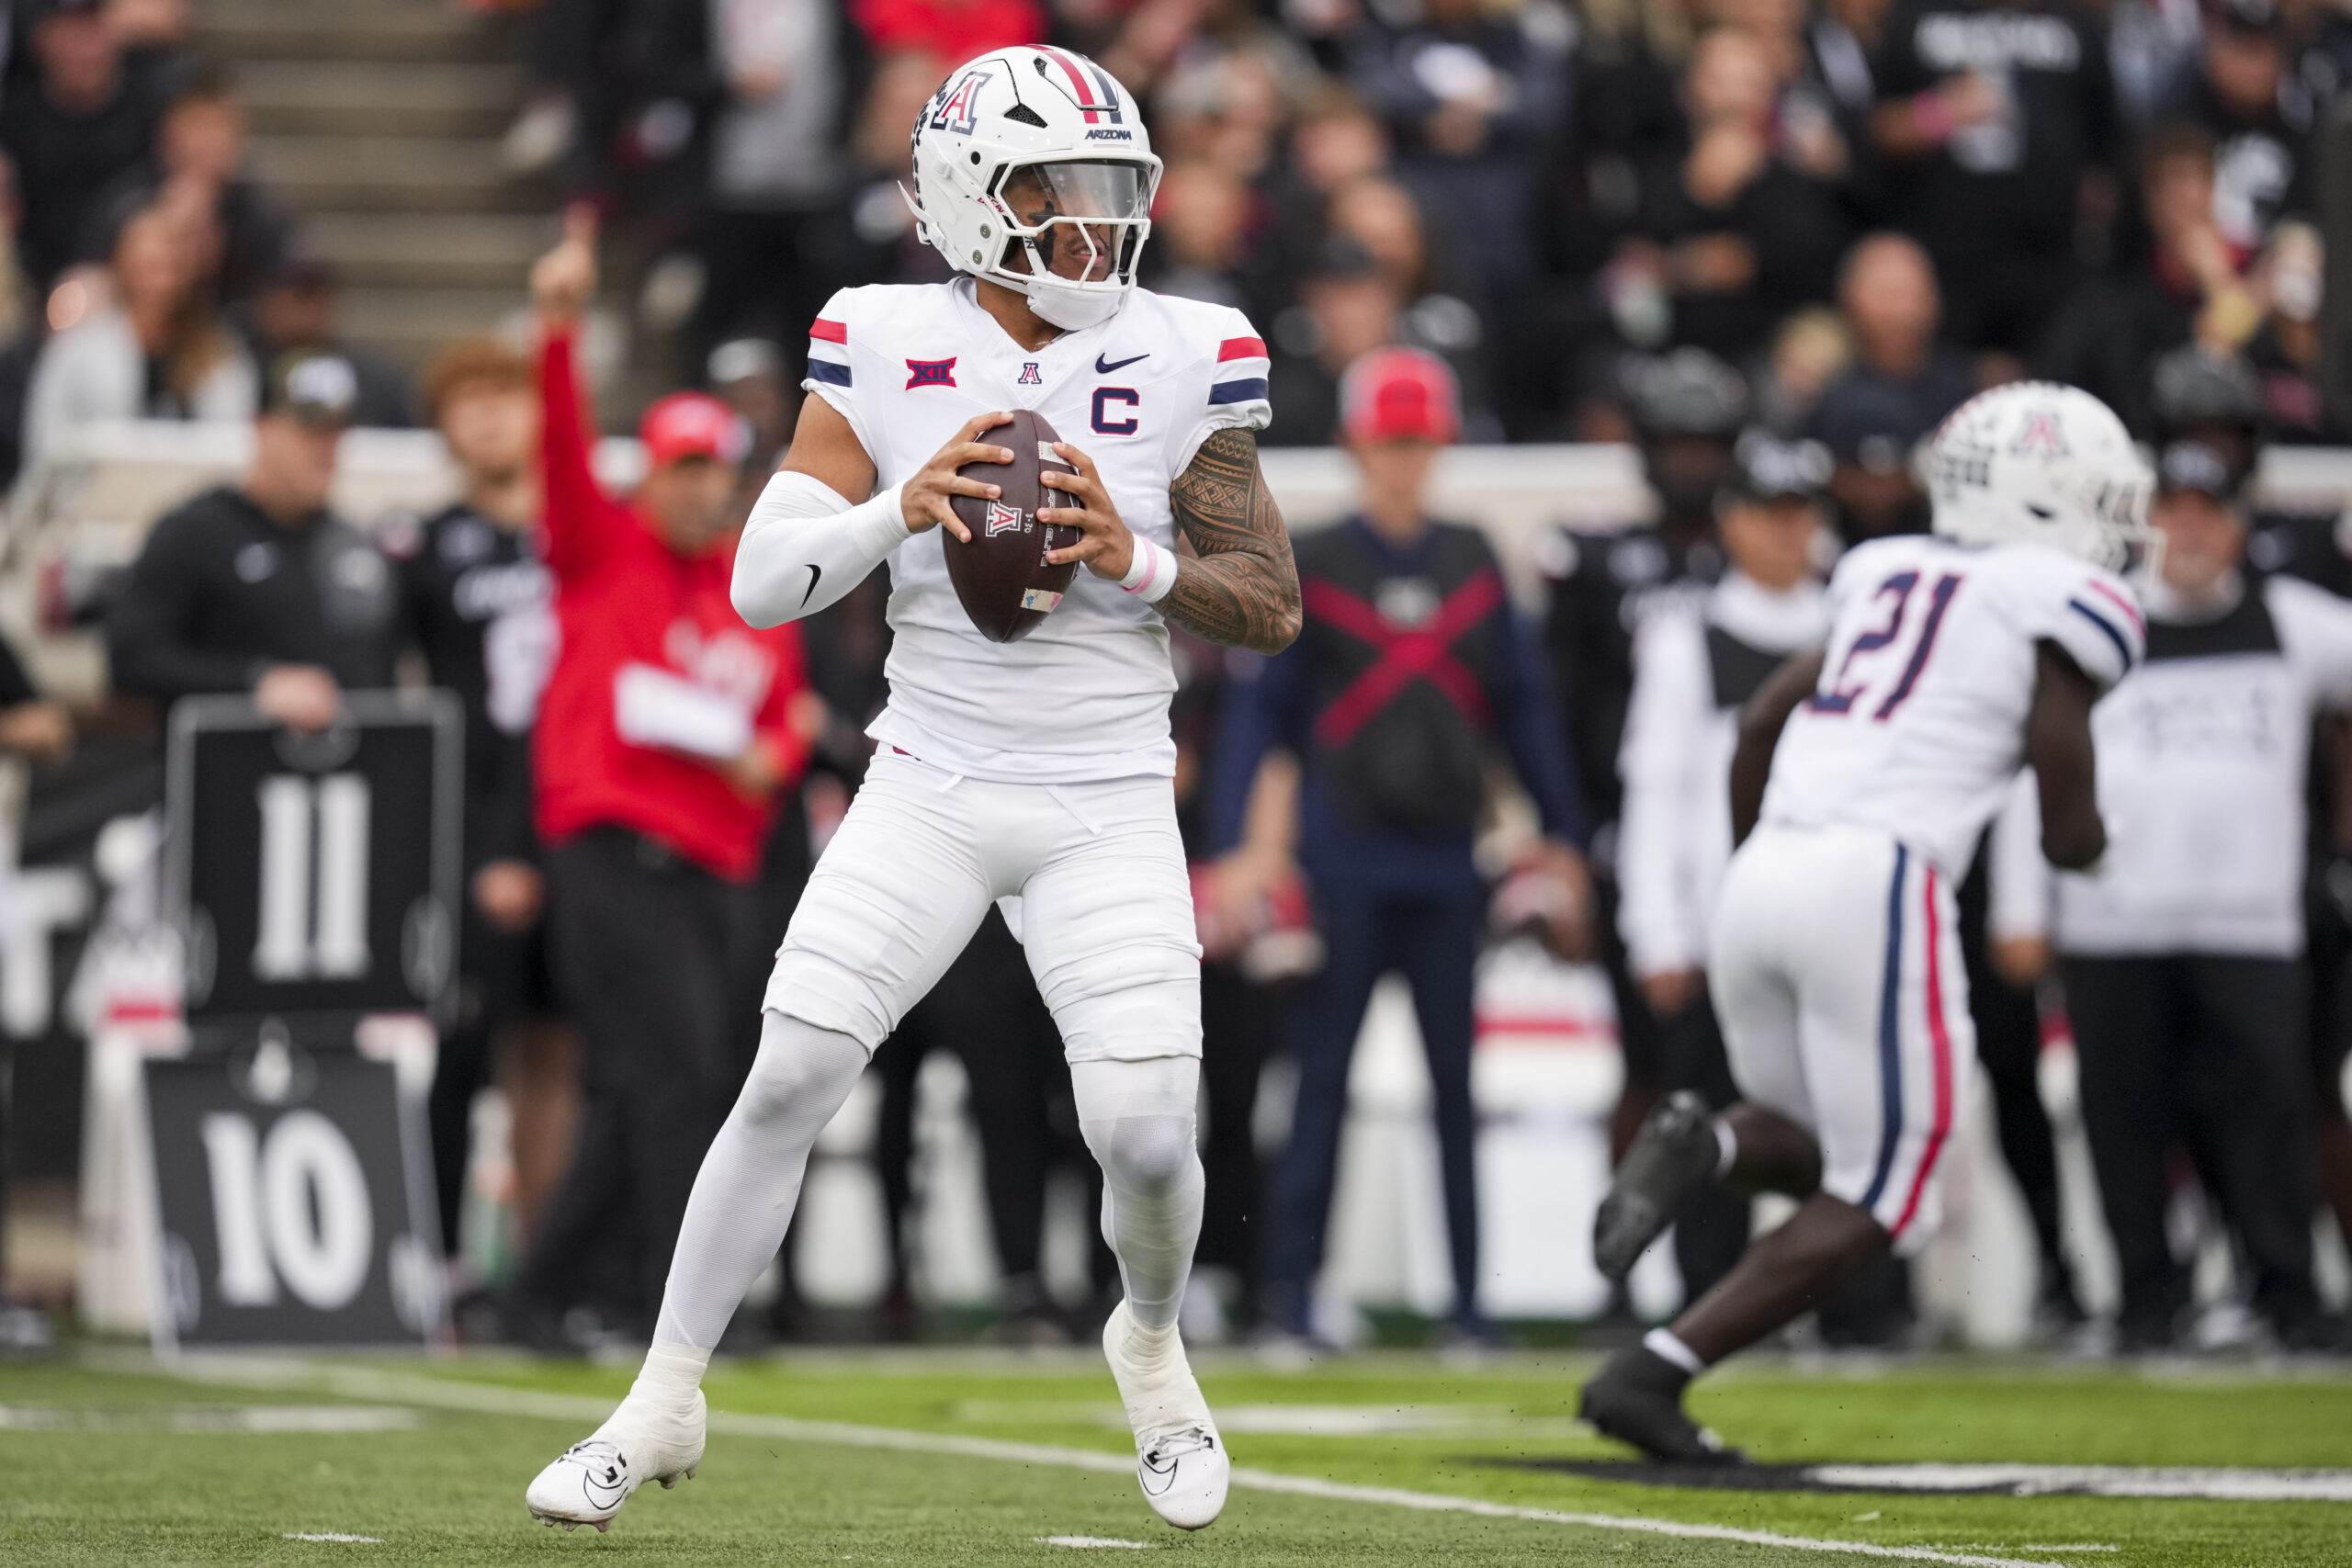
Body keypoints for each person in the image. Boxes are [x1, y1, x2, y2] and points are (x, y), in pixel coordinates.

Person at [523, 47, 1298, 1535]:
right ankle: (663, 1391)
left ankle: (1146, 1336)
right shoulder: (878, 334)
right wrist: (903, 502)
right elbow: (761, 586)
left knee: (1143, 1127)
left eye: (1112, 192)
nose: (1095, 225)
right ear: (966, 196)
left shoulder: (1196, 342)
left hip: (1108, 787)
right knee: (791, 1070)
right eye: (1057, 193)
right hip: (929, 772)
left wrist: (1127, 556)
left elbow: (1266, 602)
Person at [1579, 380, 2151, 1461]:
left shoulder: (1890, 575)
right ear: (2037, 501)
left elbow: (1757, 723)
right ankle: (1649, 1376)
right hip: (1877, 879)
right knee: (1892, 1195)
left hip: (1768, 866)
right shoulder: (2049, 600)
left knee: (1817, 1157)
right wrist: (2085, 845)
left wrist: (1760, 852)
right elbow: (2061, 772)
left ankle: (1702, 1143)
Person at [1209, 346, 1589, 1348]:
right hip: (1342, 860)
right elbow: (1265, 715)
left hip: (1444, 860)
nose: (1403, 461)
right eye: (1389, 442)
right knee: (1321, 1083)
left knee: (1456, 1091)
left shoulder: (1473, 559)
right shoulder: (1315, 559)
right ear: (1355, 446)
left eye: (1419, 443)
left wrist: (1560, 837)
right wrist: (1237, 846)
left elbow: (1525, 712)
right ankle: (1294, 1299)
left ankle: (1469, 1305)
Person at [500, 212, 816, 1352]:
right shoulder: (601, 549)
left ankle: (537, 1297)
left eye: (716, 470)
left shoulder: (745, 583)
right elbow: (556, 448)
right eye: (683, 467)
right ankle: (687, 1317)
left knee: (650, 1089)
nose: (702, 488)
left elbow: (789, 720)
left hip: (713, 866)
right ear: (649, 478)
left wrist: (768, 753)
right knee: (681, 1083)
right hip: (613, 851)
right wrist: (557, 328)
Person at [2029, 439, 2350, 1350]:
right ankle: (2142, 1300)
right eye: (2171, 510)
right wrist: (2025, 907)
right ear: (2143, 524)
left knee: (2267, 1115)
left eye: (2208, 511)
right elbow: (2036, 762)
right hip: (2109, 918)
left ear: (2239, 523)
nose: (2190, 528)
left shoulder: (2292, 620)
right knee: (2123, 1119)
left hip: (2248, 921)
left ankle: (2286, 1294)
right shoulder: (2097, 623)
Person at [1614, 432, 1831, 1302]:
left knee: (1846, 1124)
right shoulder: (1685, 636)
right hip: (1722, 931)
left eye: (1799, 514)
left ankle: (1860, 1309)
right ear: (1732, 521)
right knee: (1713, 1117)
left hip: (1836, 926)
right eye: (1768, 514)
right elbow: (1654, 791)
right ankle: (1706, 1297)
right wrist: (1656, 928)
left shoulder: (1856, 630)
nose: (1786, 533)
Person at [386, 339, 575, 1280]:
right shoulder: (425, 547)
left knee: (563, 1051)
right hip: (472, 822)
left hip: (579, 819)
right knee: (466, 1043)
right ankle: (442, 1264)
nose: (492, 416)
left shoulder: (584, 533)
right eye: (469, 402)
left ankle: (548, 1265)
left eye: (508, 395)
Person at [105, 349, 388, 728]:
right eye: (309, 430)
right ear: (261, 427)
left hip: (343, 777)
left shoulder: (351, 543)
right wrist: (254, 683)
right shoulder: (198, 532)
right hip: (226, 775)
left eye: (336, 432)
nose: (325, 449)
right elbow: (131, 658)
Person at [17, 204, 256, 502]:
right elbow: (45, 438)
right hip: (96, 513)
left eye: (168, 266)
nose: (158, 282)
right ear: (122, 267)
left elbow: (234, 444)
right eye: (147, 266)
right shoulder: (79, 349)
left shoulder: (221, 355)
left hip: (191, 513)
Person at [0, 0, 171, 290]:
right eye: (72, 34)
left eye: (93, 32)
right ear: (46, 41)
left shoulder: (149, 110)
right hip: (27, 272)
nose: (85, 49)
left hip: (122, 277)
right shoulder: (16, 115)